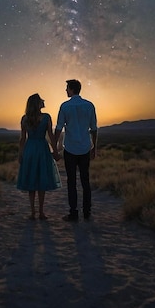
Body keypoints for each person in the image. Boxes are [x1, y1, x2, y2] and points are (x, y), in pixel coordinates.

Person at [54, 79, 97, 221]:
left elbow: (59, 128)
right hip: (85, 148)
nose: (66, 90)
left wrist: (54, 147)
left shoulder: (65, 106)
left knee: (71, 182)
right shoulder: (89, 105)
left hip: (71, 149)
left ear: (72, 89)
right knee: (85, 181)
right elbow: (94, 129)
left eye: (67, 88)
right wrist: (94, 147)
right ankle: (87, 212)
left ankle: (74, 213)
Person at [16, 93, 61, 220]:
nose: (43, 101)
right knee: (41, 179)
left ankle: (33, 212)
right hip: (42, 149)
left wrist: (21, 153)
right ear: (37, 103)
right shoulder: (46, 117)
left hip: (30, 149)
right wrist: (56, 151)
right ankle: (41, 212)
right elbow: (51, 137)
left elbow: (22, 139)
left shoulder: (25, 118)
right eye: (41, 100)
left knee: (31, 179)